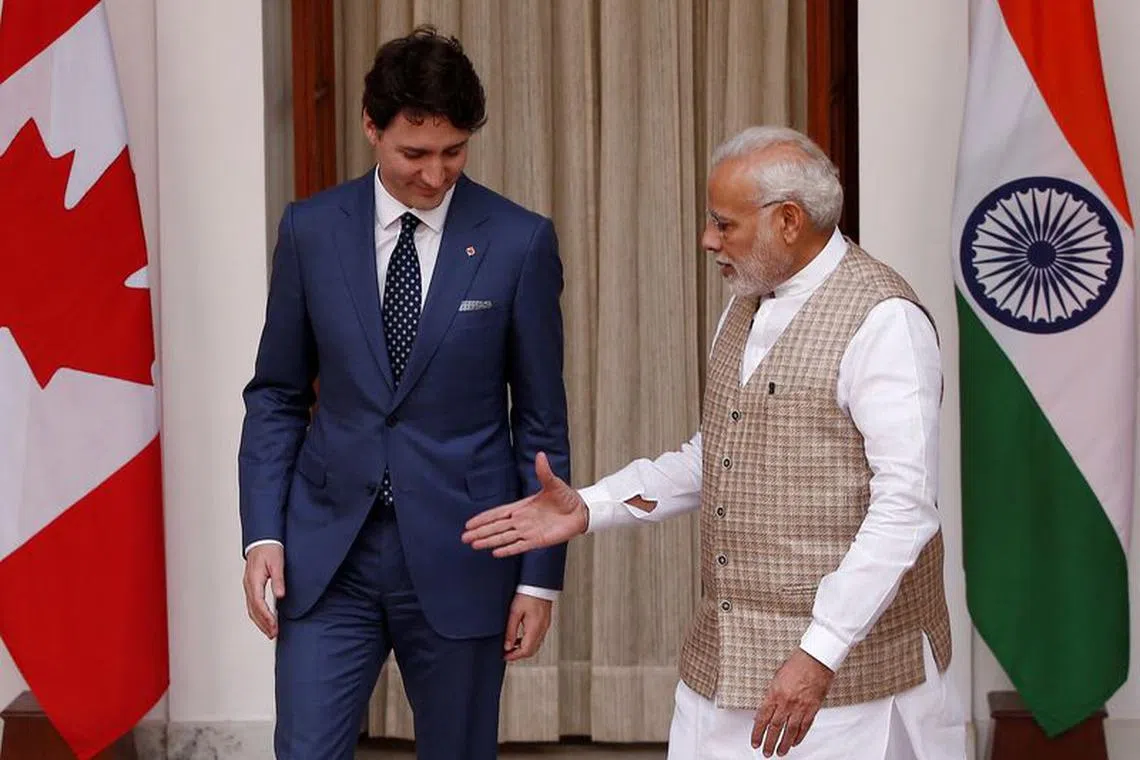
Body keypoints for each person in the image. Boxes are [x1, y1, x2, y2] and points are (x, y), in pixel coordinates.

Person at [463, 126, 965, 759]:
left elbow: (906, 508)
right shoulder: (744, 304)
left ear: (788, 220)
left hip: (847, 684)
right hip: (721, 663)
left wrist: (819, 651)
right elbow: (719, 458)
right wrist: (591, 506)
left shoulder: (885, 320)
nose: (708, 240)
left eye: (724, 224)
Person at [238, 26, 570, 760]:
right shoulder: (311, 231)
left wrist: (539, 582)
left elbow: (541, 421)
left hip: (464, 554)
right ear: (371, 128)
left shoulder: (519, 242)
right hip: (328, 558)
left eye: (453, 152)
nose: (434, 173)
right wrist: (263, 532)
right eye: (414, 153)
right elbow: (277, 396)